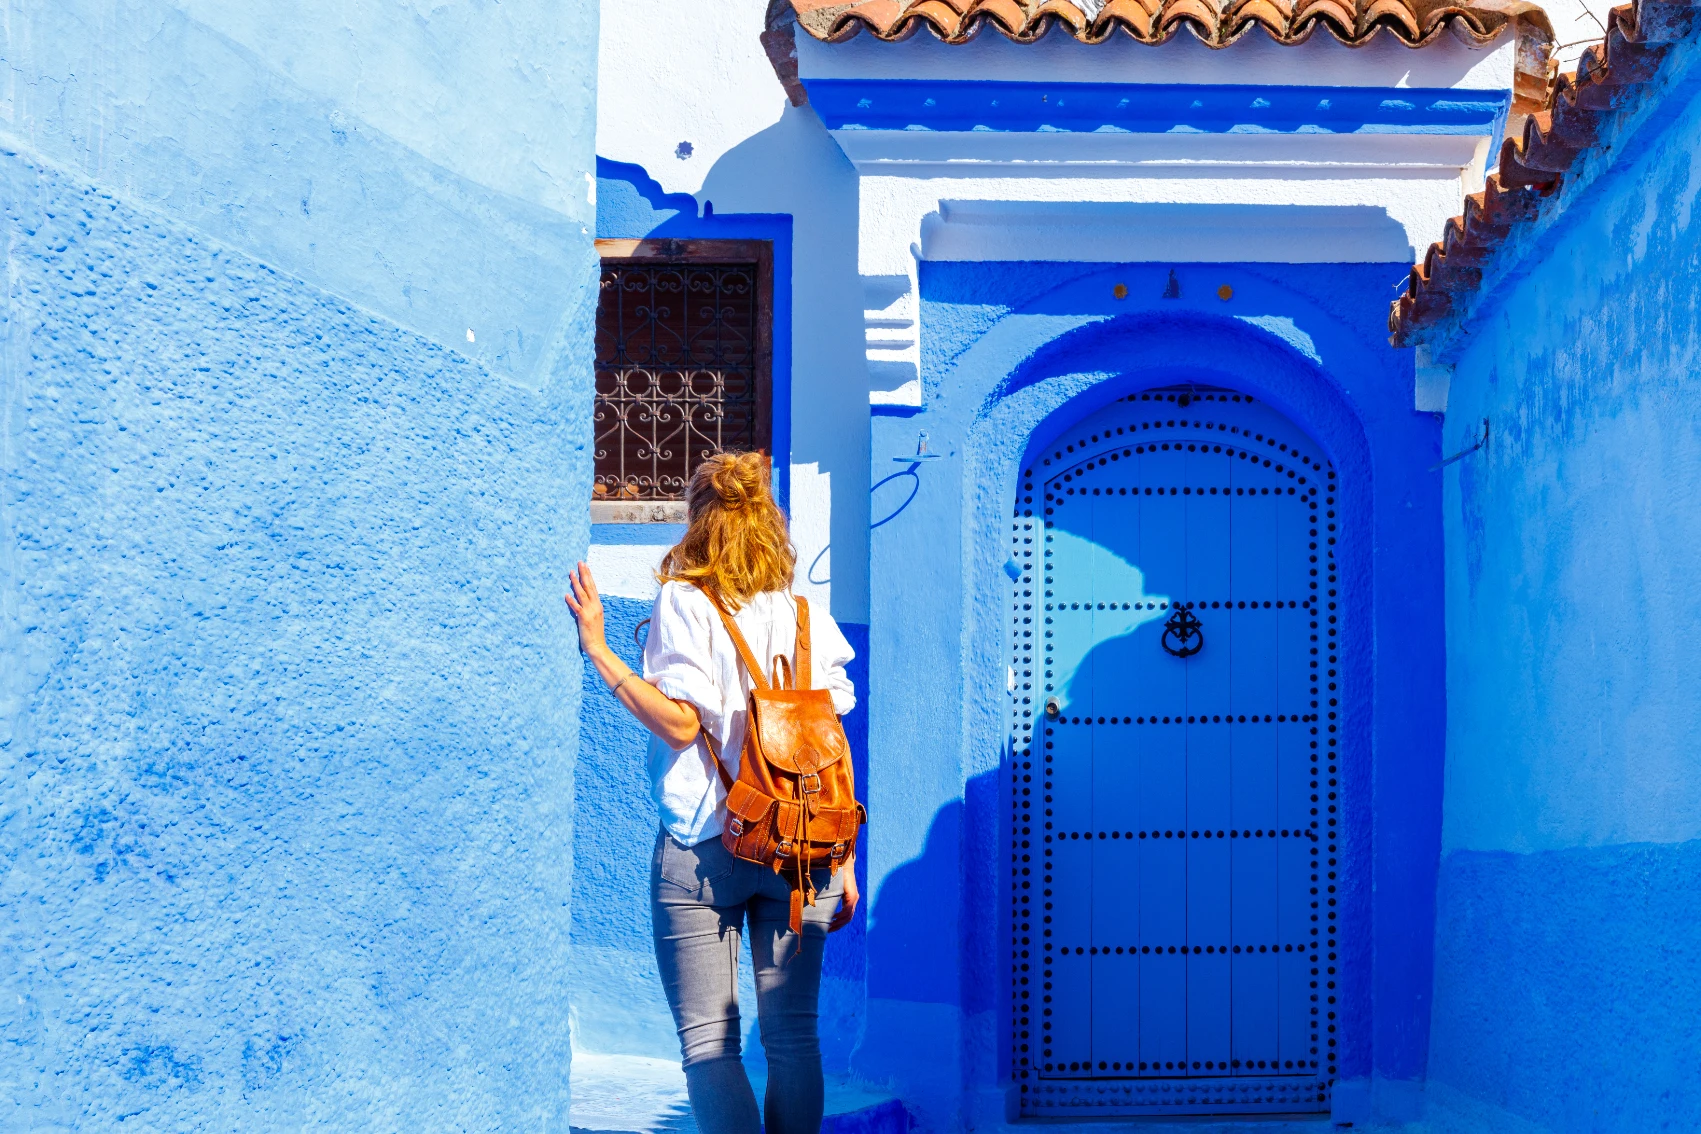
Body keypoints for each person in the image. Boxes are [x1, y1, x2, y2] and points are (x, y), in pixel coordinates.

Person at [564, 451, 859, 1134]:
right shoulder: (804, 615)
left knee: (708, 1047)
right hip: (800, 848)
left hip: (704, 842)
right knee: (793, 1040)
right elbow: (830, 744)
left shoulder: (683, 602)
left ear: (699, 520)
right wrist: (841, 858)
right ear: (767, 524)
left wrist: (601, 653)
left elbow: (679, 725)